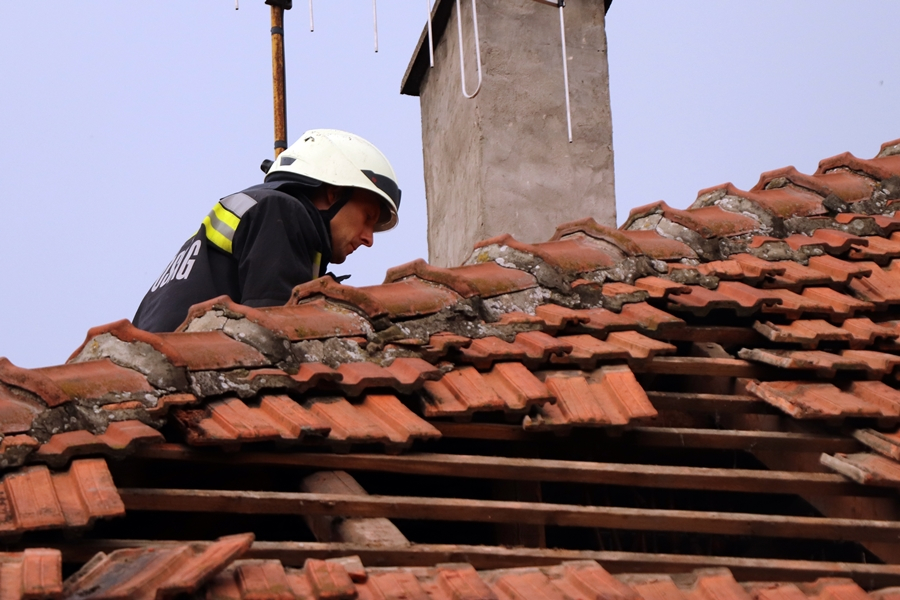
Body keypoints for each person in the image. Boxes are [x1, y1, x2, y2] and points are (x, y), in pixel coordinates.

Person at [132, 129, 401, 333]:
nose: (368, 239)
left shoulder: (259, 208)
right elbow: (273, 332)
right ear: (334, 193)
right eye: (367, 218)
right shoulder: (279, 212)